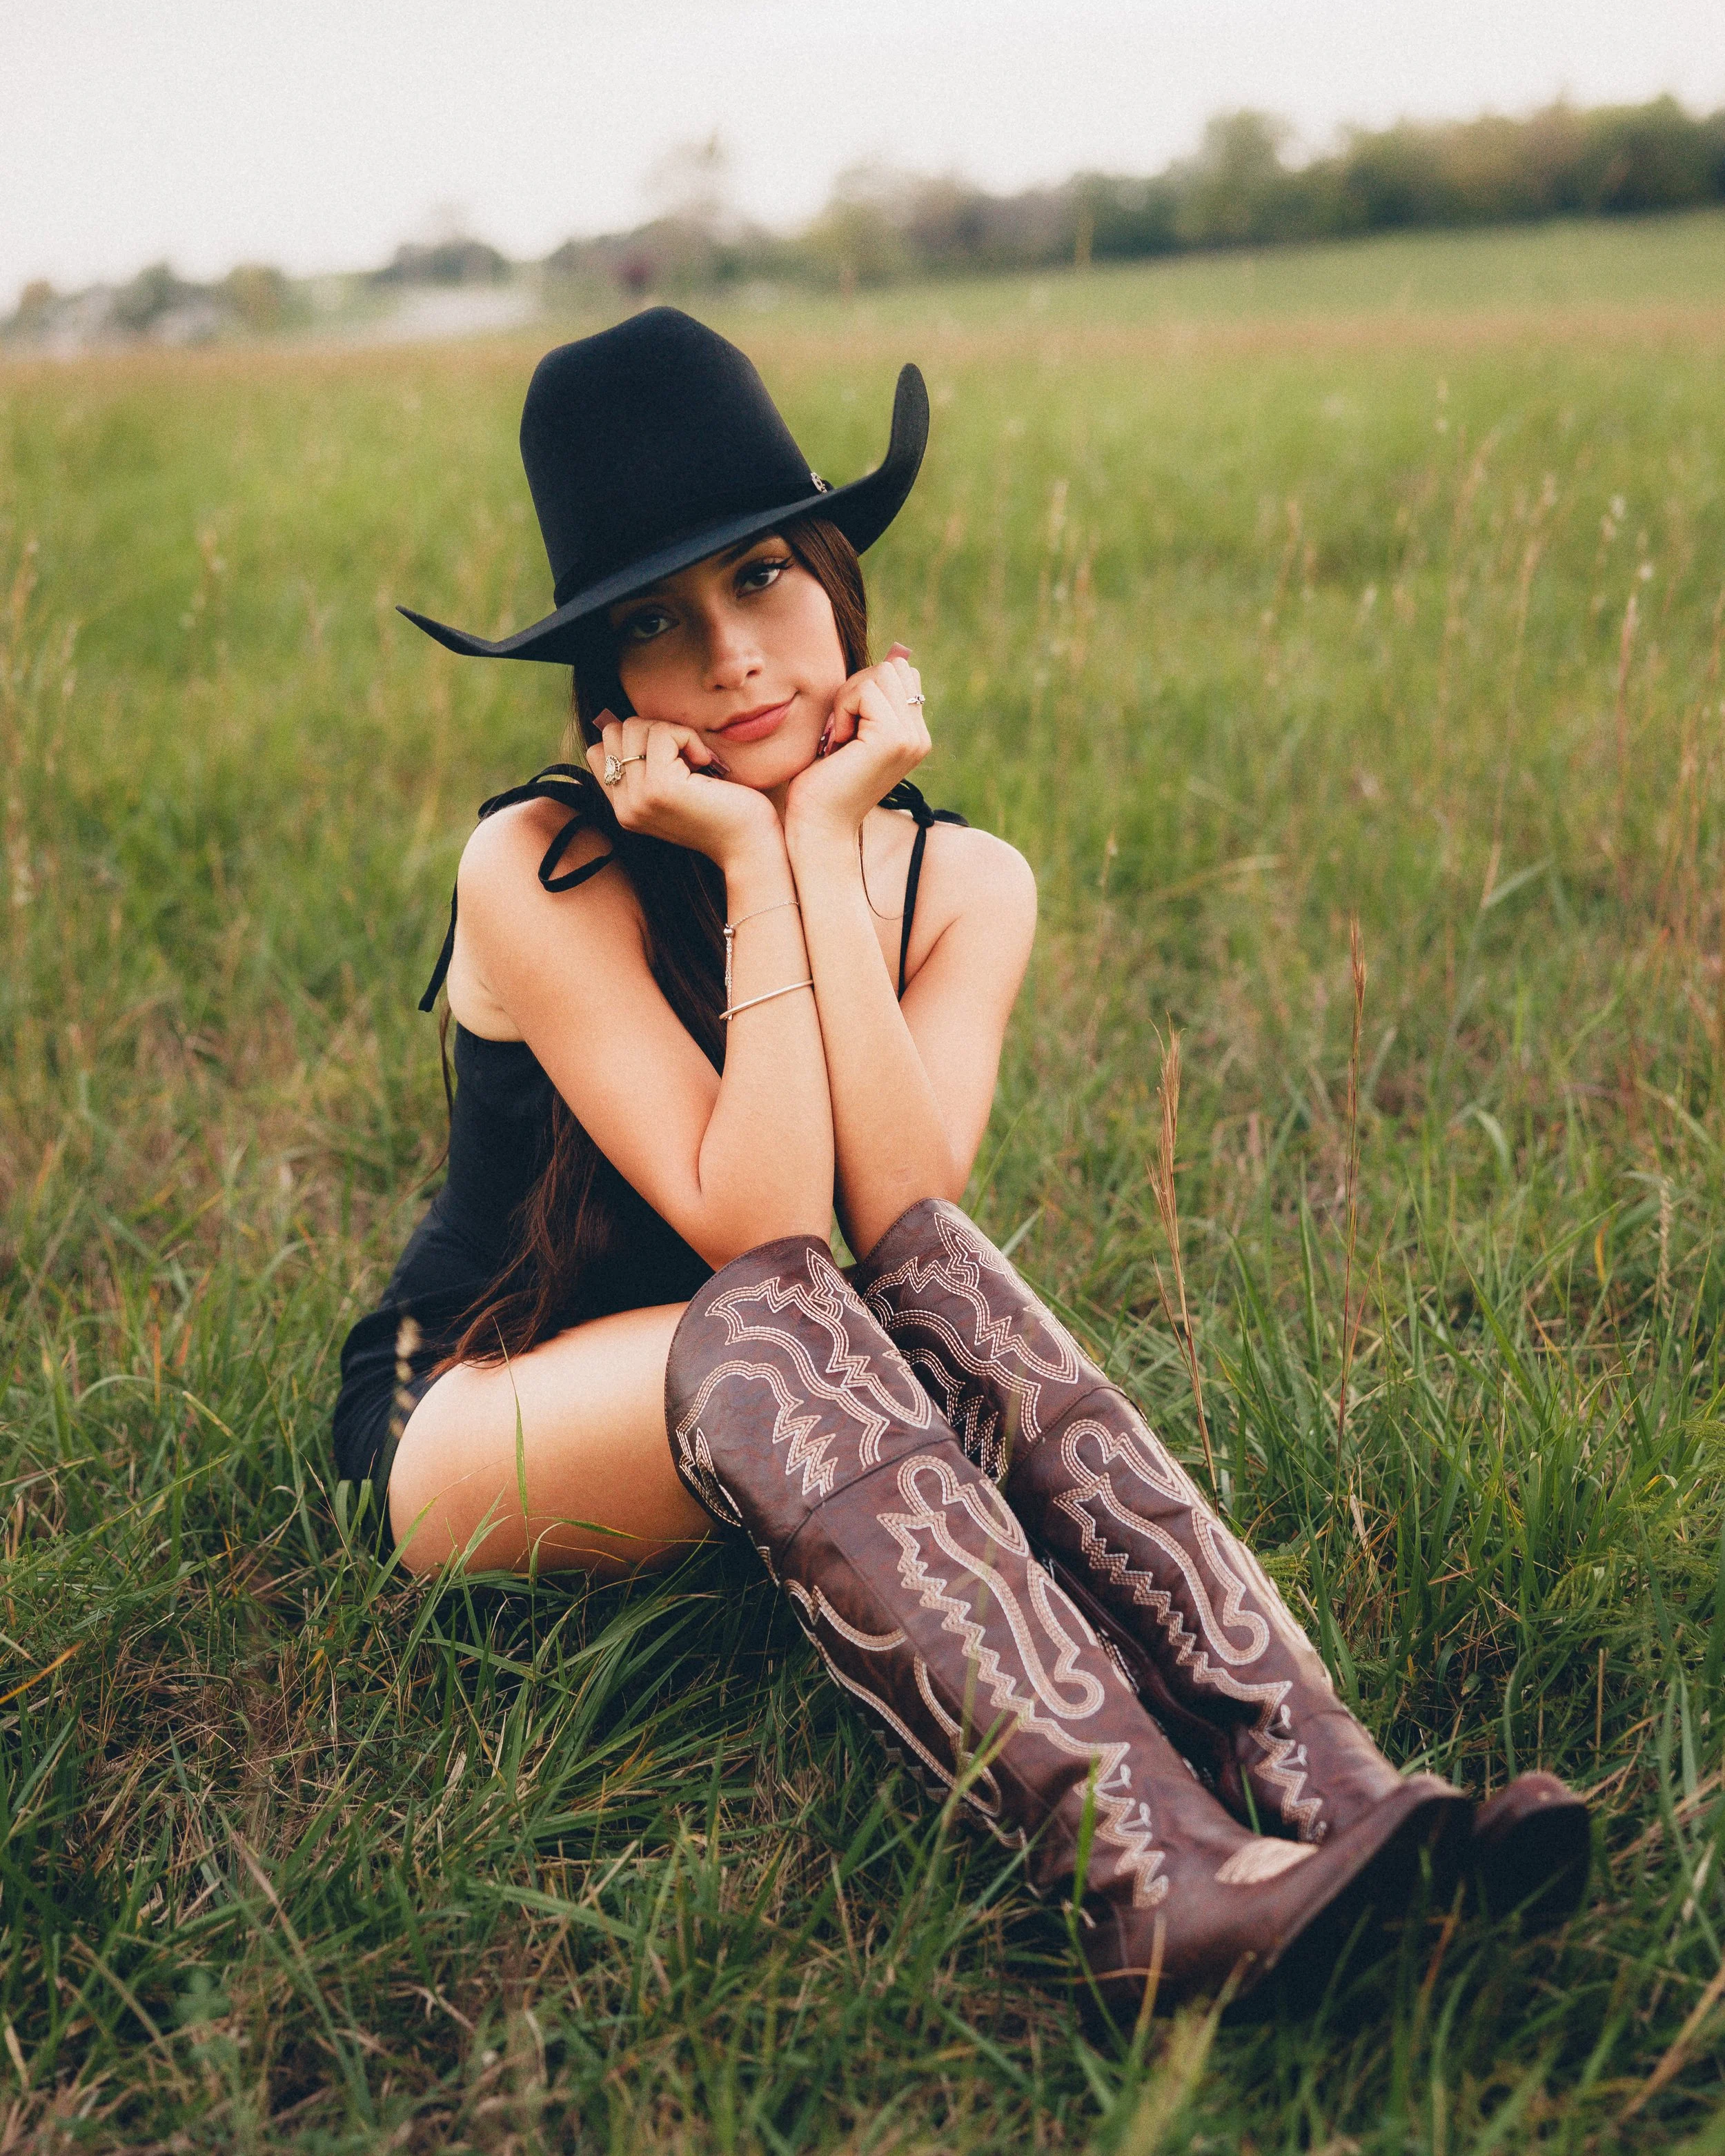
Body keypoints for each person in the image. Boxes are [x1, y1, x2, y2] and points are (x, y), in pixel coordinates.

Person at [332, 307, 1589, 2017]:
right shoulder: (539, 862)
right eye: (655, 623)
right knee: (787, 1314)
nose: (730, 655)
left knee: (926, 1283)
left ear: (839, 585)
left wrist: (836, 837)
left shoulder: (964, 882)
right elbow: (766, 1230)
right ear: (606, 680)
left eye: (763, 579)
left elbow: (905, 1218)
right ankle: (1151, 1876)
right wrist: (768, 859)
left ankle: (1339, 1799)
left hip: (795, 1395)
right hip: (486, 1408)